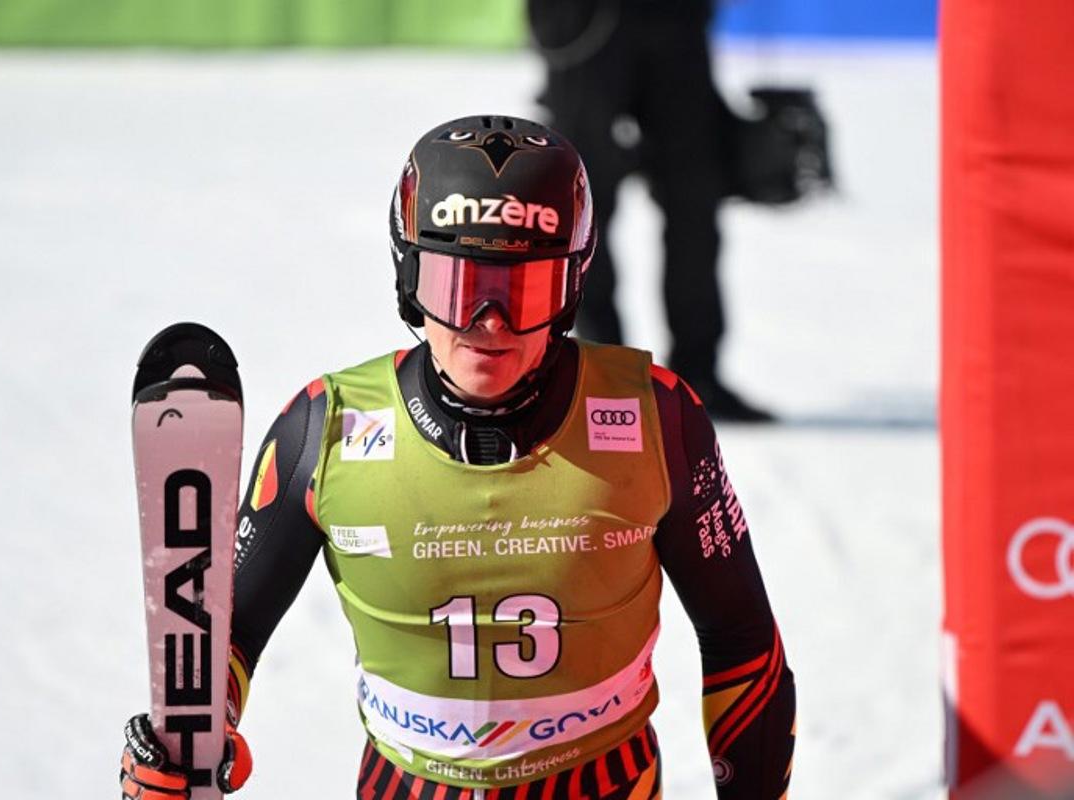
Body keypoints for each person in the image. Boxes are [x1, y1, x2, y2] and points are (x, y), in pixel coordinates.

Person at [120, 115, 795, 799]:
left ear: (571, 287)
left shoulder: (658, 418)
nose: (489, 322)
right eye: (458, 287)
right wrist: (188, 740)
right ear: (408, 278)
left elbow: (741, 639)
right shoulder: (324, 429)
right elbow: (224, 634)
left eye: (524, 289)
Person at [528, 0, 775, 422]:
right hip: (585, 17)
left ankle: (698, 377)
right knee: (580, 199)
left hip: (674, 16)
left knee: (694, 198)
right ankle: (600, 374)